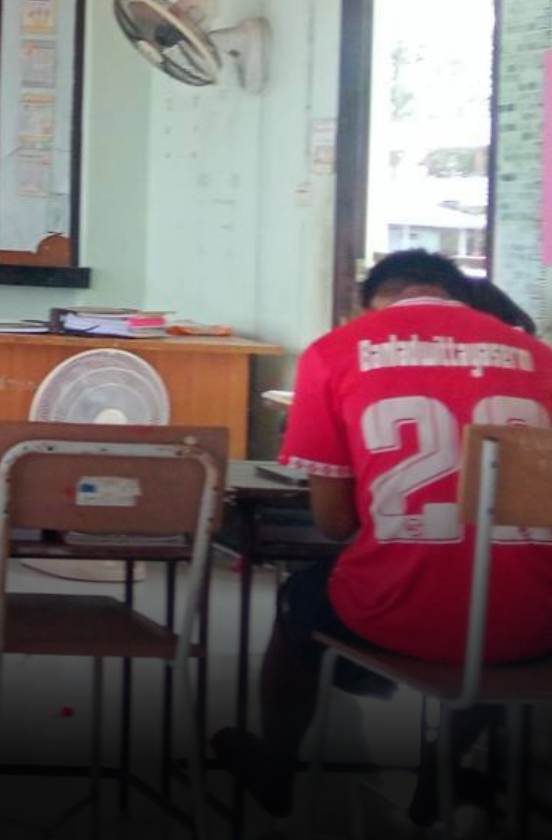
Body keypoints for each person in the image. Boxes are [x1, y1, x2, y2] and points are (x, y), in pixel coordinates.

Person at [212, 250, 552, 819]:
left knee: (301, 597)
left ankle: (276, 765)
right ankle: (441, 771)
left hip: (397, 619)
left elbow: (336, 524)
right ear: (457, 294)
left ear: (371, 303)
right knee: (493, 591)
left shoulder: (336, 352)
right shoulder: (538, 356)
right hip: (535, 627)